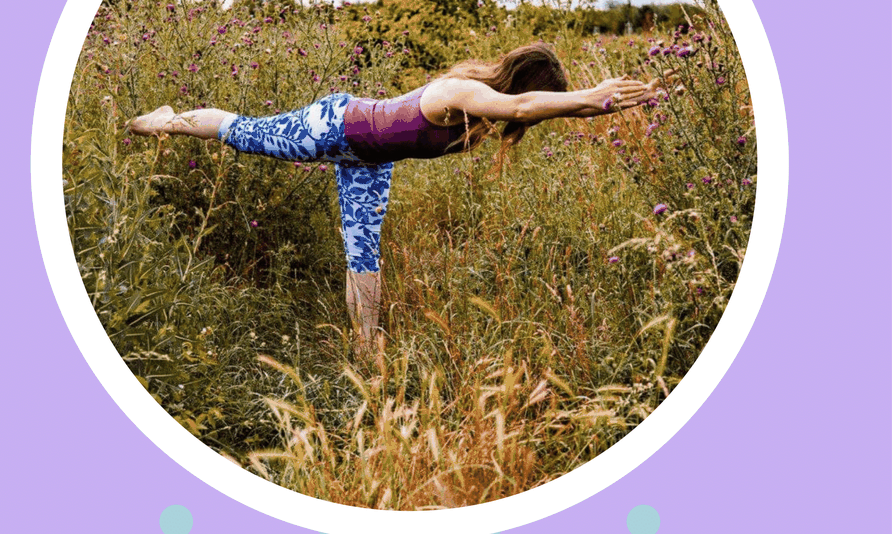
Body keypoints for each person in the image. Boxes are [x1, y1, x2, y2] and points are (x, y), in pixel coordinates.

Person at [127, 43, 653, 354]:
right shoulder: (460, 93)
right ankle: (166, 121)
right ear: (522, 85)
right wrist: (583, 95)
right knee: (244, 132)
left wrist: (603, 104)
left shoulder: (489, 109)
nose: (534, 115)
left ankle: (364, 348)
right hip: (335, 123)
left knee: (364, 253)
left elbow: (536, 107)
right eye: (541, 99)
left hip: (368, 158)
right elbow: (523, 107)